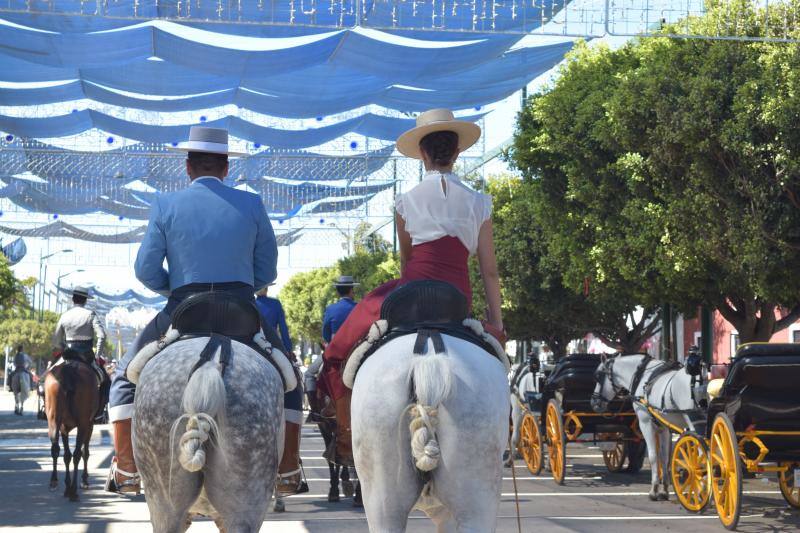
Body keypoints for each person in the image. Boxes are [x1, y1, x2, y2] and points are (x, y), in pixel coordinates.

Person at [106, 126, 303, 495]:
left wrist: (178, 289)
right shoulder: (252, 204)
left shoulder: (165, 204)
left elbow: (145, 270)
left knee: (123, 377)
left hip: (183, 308)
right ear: (227, 168)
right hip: (242, 309)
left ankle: (127, 468)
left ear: (188, 167)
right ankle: (289, 467)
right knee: (289, 377)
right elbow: (267, 270)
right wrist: (243, 284)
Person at [320, 109, 505, 466]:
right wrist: (496, 323)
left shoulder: (405, 202)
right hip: (456, 301)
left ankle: (344, 430)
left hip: (411, 295)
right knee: (496, 363)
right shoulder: (480, 203)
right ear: (457, 152)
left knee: (339, 351)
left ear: (422, 154)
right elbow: (490, 271)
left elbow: (407, 262)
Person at [254, 284, 307, 493]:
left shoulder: (250, 303)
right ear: (266, 287)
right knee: (294, 386)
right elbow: (283, 330)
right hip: (269, 347)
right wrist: (287, 350)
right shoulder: (274, 305)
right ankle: (289, 465)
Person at [51, 286, 110, 420]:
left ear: (73, 299)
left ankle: (47, 406)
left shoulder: (64, 315)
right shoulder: (90, 314)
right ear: (85, 300)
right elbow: (101, 335)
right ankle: (99, 412)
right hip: (86, 355)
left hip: (67, 354)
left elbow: (56, 340)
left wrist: (61, 348)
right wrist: (97, 355)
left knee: (48, 376)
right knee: (105, 380)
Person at [255, 284, 293, 355]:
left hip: (254, 342)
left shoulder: (251, 303)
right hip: (273, 343)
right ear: (267, 289)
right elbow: (283, 328)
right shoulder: (275, 303)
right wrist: (288, 348)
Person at [322, 276, 360, 344]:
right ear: (351, 290)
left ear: (338, 292)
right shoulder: (359, 307)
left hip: (337, 346)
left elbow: (326, 334)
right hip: (356, 345)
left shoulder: (330, 309)